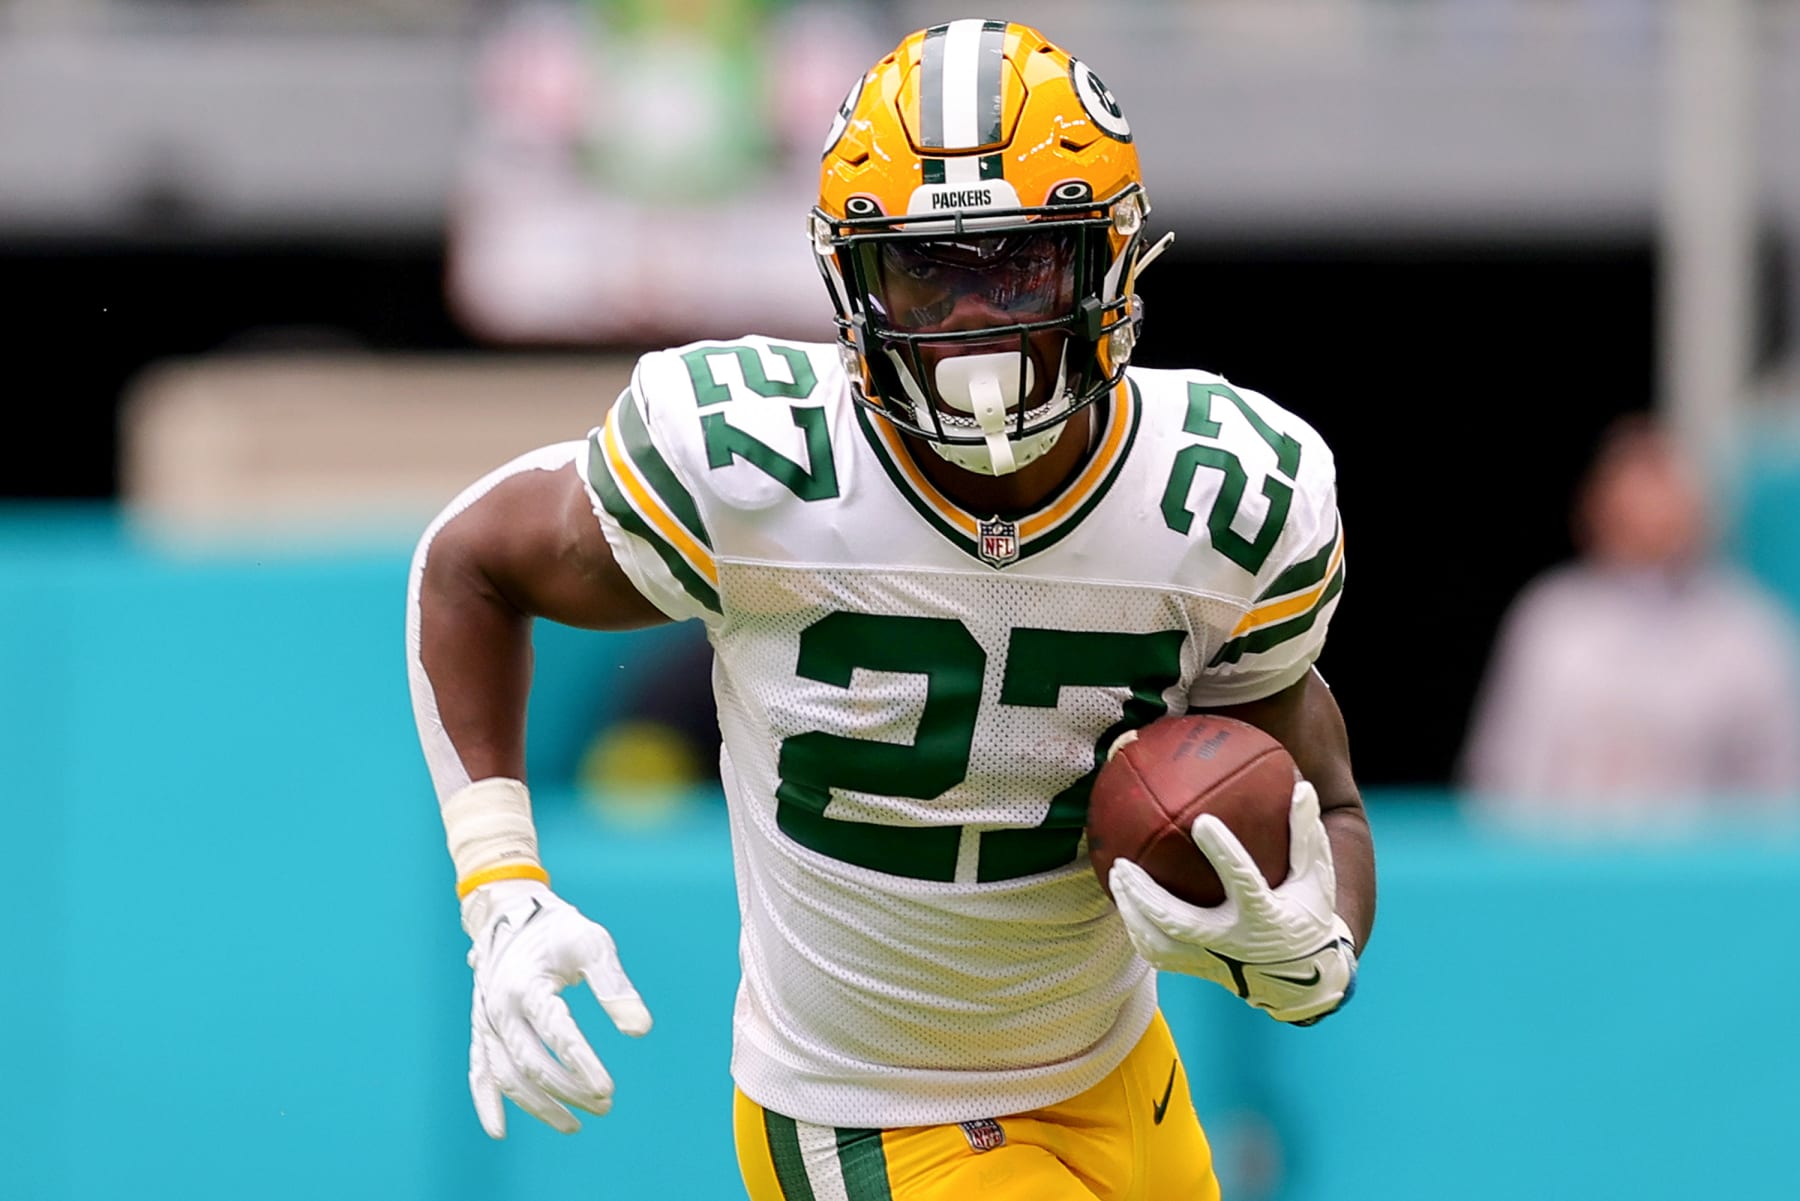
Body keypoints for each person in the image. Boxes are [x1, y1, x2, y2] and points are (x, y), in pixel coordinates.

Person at [406, 20, 1376, 1200]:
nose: (973, 321)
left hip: (1124, 1071)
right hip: (869, 1112)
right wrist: (498, 890)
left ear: (1108, 261)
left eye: (1016, 264)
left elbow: (1316, 785)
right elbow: (470, 563)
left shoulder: (1223, 494)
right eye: (927, 270)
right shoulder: (752, 463)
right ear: (851, 279)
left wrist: (1319, 943)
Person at [1459, 413, 1800, 819]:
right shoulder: (1551, 619)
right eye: (1633, 490)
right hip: (1566, 866)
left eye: (1664, 486)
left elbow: (1780, 789)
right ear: (1596, 508)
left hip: (1705, 871)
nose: (1651, 511)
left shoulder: (1751, 630)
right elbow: (1502, 774)